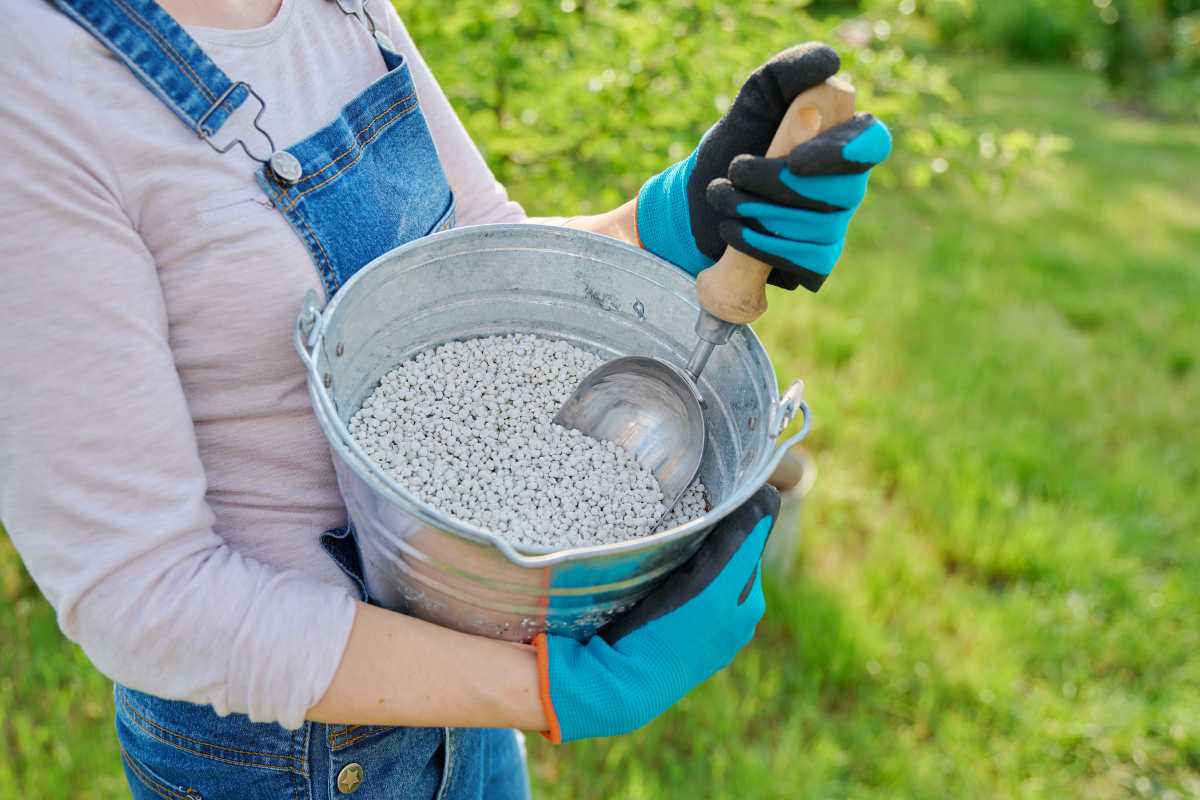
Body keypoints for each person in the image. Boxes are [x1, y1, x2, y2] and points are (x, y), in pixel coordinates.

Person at [0, 0, 890, 797]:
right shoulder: (34, 80)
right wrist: (551, 688)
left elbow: (474, 263)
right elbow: (142, 597)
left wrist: (670, 223)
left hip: (469, 688)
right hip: (285, 761)